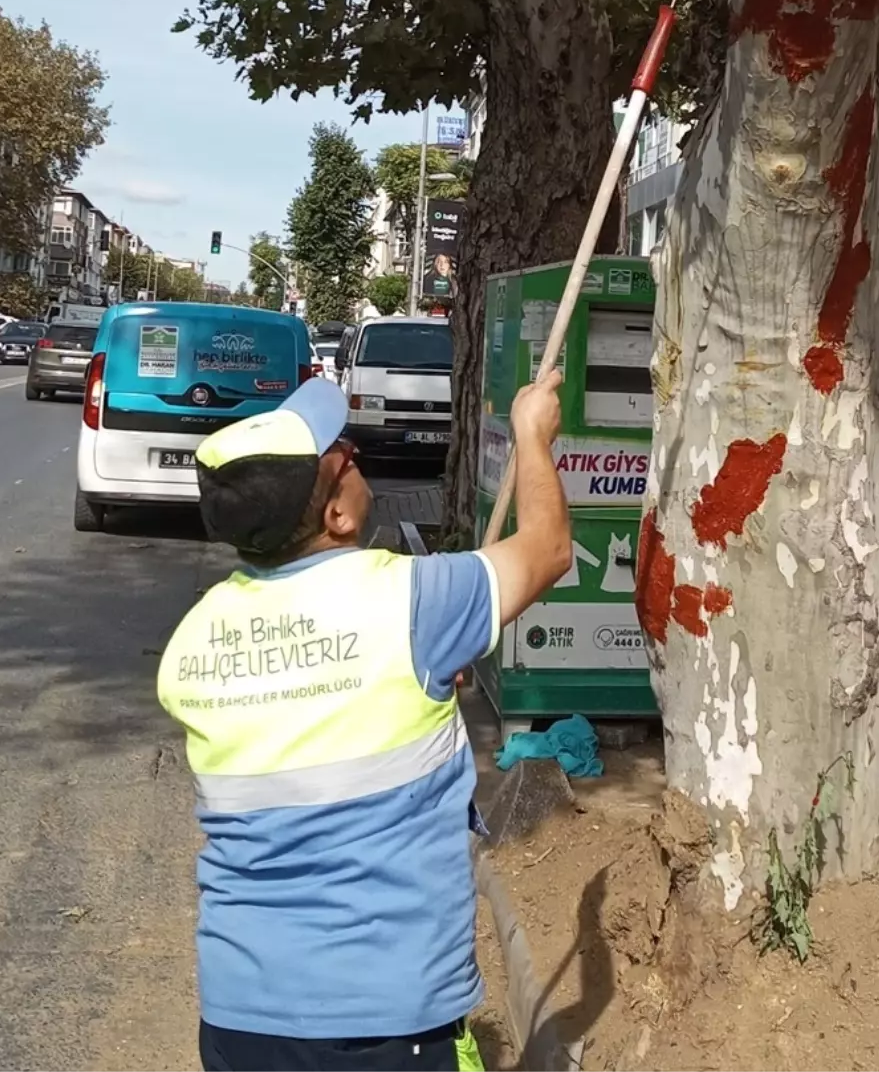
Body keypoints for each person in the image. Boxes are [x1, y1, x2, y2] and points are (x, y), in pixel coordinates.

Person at [158, 368, 571, 1072]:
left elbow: (313, 707)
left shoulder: (193, 640)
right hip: (385, 1018)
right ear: (336, 515)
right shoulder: (412, 601)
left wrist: (424, 686)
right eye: (345, 452)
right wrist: (533, 433)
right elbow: (548, 549)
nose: (355, 453)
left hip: (239, 1015)